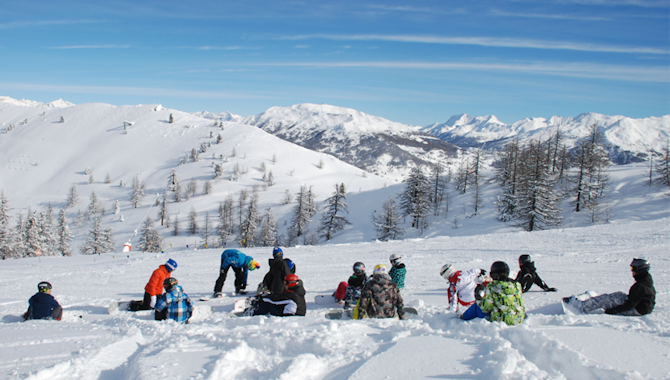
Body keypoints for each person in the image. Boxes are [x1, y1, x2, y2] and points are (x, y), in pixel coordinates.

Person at [563, 258, 655, 316]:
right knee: (617, 296)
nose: (632, 271)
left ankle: (582, 306)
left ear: (640, 270)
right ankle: (587, 303)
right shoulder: (646, 281)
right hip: (641, 308)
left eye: (633, 269)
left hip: (637, 310)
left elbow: (629, 305)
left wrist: (611, 311)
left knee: (610, 301)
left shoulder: (640, 286)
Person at [462, 261, 525, 326]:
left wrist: (478, 297)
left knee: (477, 306)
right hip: (518, 320)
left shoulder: (493, 287)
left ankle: (462, 320)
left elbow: (485, 308)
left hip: (501, 322)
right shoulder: (517, 285)